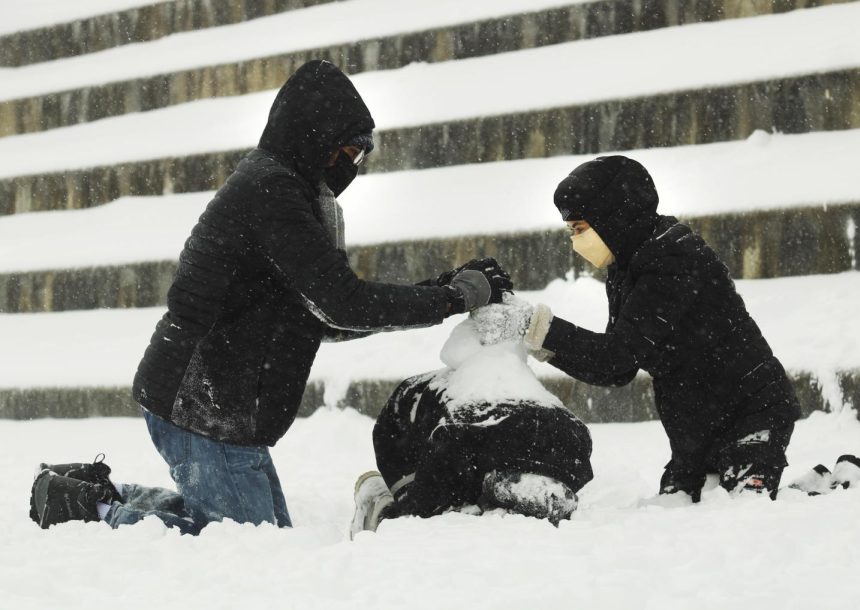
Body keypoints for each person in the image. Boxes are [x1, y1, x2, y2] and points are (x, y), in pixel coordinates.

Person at [29, 60, 512, 532]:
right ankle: (89, 512)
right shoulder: (272, 193)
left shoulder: (285, 190)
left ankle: (99, 496)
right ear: (318, 138)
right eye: (350, 152)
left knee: (257, 532)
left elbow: (328, 315)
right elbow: (343, 302)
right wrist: (452, 297)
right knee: (239, 546)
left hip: (219, 409)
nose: (353, 167)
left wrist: (442, 291)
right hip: (203, 408)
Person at [520, 155, 801, 502]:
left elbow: (617, 359)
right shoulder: (627, 265)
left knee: (743, 514)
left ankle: (831, 490)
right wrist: (541, 340)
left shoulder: (672, 260)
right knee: (673, 514)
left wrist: (536, 329)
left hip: (749, 414)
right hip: (694, 431)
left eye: (580, 228)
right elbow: (617, 369)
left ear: (613, 218)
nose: (575, 240)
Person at [350, 297, 593, 538]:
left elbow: (426, 496)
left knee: (426, 505)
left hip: (466, 440)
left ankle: (388, 504)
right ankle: (523, 488)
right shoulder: (567, 424)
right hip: (548, 443)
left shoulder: (449, 411)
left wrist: (404, 505)